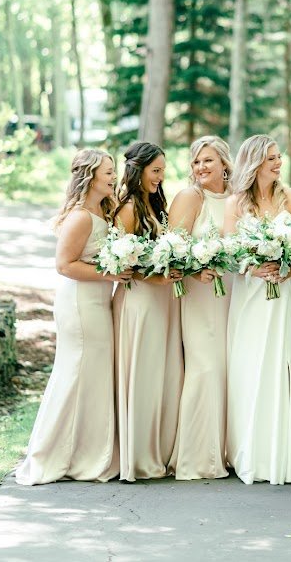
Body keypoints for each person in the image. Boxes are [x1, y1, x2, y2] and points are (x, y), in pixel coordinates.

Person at [16, 149, 129, 485]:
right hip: (79, 303)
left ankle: (86, 450)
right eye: (108, 171)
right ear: (90, 175)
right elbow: (65, 265)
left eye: (114, 171)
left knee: (92, 376)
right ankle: (51, 452)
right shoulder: (81, 217)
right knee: (75, 373)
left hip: (96, 301)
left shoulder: (103, 211)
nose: (113, 176)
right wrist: (111, 272)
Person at [224, 135, 291, 485]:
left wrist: (287, 269)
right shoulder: (236, 203)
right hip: (252, 297)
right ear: (253, 163)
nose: (277, 163)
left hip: (288, 295)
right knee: (253, 367)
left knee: (290, 365)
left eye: (278, 157)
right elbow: (229, 251)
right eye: (270, 158)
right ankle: (255, 449)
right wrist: (253, 269)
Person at [113, 141, 183, 482]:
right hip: (140, 300)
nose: (160, 177)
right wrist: (156, 277)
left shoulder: (156, 205)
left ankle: (158, 449)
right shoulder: (127, 209)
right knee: (143, 374)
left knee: (161, 374)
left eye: (163, 172)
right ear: (138, 170)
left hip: (163, 300)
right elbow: (125, 266)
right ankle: (138, 456)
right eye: (155, 171)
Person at [168, 136, 233, 480]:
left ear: (225, 163)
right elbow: (173, 248)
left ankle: (226, 450)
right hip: (201, 293)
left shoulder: (237, 198)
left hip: (234, 294)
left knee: (228, 369)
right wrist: (196, 267)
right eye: (195, 162)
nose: (201, 168)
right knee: (205, 367)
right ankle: (197, 457)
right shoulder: (190, 197)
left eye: (208, 160)